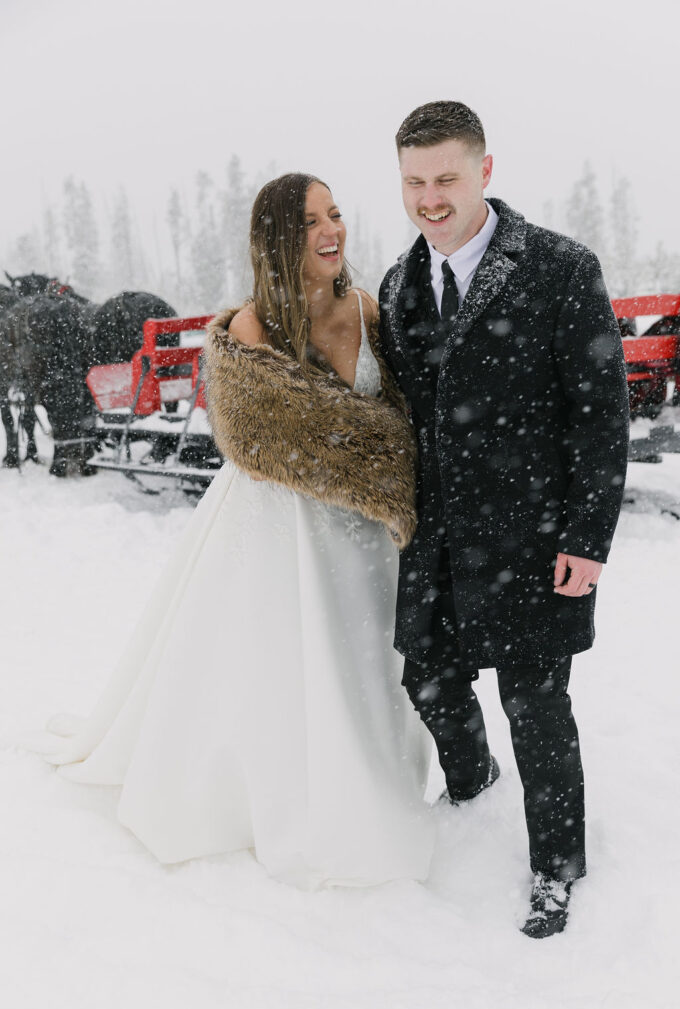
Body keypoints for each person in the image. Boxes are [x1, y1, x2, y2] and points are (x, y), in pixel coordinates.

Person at [35, 172, 435, 890]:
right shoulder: (254, 324)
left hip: (365, 530)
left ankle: (371, 772)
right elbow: (267, 435)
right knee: (280, 658)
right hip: (284, 524)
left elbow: (403, 412)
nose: (331, 230)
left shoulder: (369, 309)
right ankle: (276, 789)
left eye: (336, 214)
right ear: (280, 238)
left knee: (365, 659)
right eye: (312, 220)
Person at [378, 101, 629, 937]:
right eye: (415, 181)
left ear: (485, 170)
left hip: (533, 538)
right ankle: (473, 788)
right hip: (439, 541)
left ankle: (556, 865)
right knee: (429, 682)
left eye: (446, 177)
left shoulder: (559, 267)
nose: (430, 198)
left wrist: (587, 540)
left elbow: (600, 415)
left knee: (536, 702)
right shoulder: (399, 283)